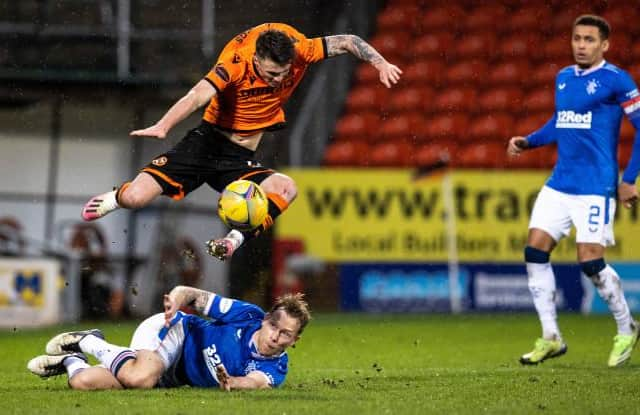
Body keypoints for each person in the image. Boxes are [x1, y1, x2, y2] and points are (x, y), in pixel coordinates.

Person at [81, 22, 402, 260]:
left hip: (239, 158)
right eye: (272, 74)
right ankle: (114, 198)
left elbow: (348, 40)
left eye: (284, 73)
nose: (279, 81)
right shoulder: (235, 62)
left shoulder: (300, 49)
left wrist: (380, 63)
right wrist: (164, 125)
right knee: (137, 197)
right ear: (257, 59)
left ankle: (233, 241)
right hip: (206, 143)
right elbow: (197, 96)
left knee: (288, 188)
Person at [507, 15, 640, 367]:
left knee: (590, 262)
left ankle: (627, 327)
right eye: (577, 38)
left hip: (596, 185)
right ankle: (551, 337)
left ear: (604, 45)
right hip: (560, 183)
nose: (581, 45)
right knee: (535, 250)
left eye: (589, 40)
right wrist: (530, 141)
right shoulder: (564, 78)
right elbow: (560, 121)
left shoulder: (617, 80)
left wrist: (629, 179)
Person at [27, 285, 311, 390]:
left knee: (83, 382)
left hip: (172, 375)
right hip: (176, 332)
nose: (275, 336)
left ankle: (71, 359)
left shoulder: (276, 368)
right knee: (139, 378)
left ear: (295, 340)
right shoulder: (247, 315)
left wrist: (232, 382)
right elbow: (193, 295)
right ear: (265, 319)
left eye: (286, 333)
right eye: (274, 326)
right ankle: (88, 341)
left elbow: (254, 382)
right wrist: (176, 300)